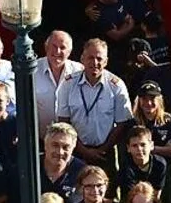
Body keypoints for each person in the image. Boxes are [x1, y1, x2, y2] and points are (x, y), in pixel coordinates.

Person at [55, 38, 133, 169]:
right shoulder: (68, 84)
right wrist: (83, 150)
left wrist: (103, 149)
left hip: (105, 152)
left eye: (99, 58)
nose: (95, 62)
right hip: (75, 151)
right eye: (90, 58)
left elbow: (122, 124)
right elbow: (63, 120)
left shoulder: (116, 86)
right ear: (82, 59)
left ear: (106, 61)